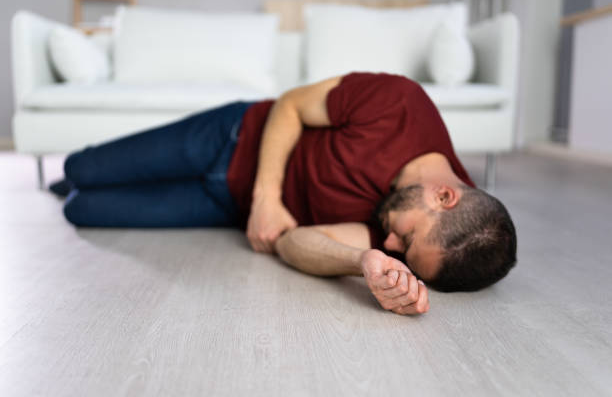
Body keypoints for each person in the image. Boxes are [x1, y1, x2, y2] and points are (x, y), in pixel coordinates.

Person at [51, 72, 517, 316]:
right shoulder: (401, 103)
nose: (391, 244)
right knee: (80, 168)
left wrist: (363, 264)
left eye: (403, 255)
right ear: (444, 196)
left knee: (82, 209)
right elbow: (292, 105)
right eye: (407, 239)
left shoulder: (395, 243)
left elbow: (294, 242)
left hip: (226, 206)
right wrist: (267, 198)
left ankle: (77, 190)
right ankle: (77, 175)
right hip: (230, 137)